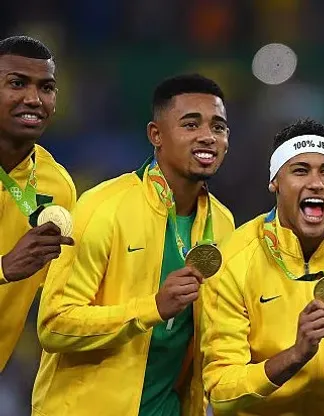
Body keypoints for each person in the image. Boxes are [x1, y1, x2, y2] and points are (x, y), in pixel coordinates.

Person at [32, 74, 235, 416]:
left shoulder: (224, 224)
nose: (207, 137)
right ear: (156, 135)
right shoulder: (102, 207)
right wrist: (152, 308)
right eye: (190, 124)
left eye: (219, 127)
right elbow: (54, 325)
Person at [201, 118, 324, 415]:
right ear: (275, 182)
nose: (316, 182)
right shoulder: (234, 259)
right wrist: (295, 355)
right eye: (300, 170)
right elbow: (223, 394)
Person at [0, 35, 76, 373]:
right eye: (17, 83)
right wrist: (3, 268)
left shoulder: (58, 187)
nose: (34, 99)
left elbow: (59, 297)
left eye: (46, 88)